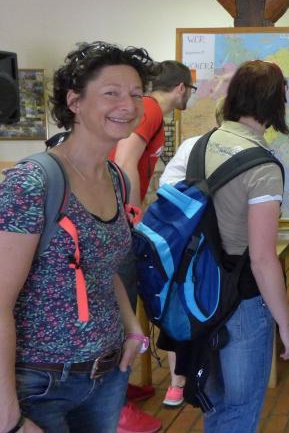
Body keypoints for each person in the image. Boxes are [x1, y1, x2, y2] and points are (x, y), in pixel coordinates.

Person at [0, 41, 153, 432]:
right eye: (111, 93)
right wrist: (7, 416)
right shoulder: (32, 182)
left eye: (136, 94)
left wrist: (132, 327)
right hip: (39, 382)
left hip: (107, 376)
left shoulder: (116, 179)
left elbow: (100, 266)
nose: (128, 105)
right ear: (75, 102)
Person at [201, 60, 289, 431]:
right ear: (274, 103)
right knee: (240, 411)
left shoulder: (203, 145)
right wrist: (286, 323)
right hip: (241, 300)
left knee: (215, 404)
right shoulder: (262, 165)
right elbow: (262, 259)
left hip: (200, 294)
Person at [111, 59, 194, 431]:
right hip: (118, 223)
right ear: (180, 88)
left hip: (118, 218)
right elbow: (125, 160)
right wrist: (132, 217)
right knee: (121, 306)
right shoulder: (149, 109)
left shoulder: (149, 111)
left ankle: (119, 387)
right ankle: (115, 406)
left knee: (125, 303)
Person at [154, 96, 225, 408]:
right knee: (180, 306)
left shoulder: (236, 149)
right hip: (189, 241)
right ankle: (178, 381)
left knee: (197, 305)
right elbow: (167, 188)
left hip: (207, 244)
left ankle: (192, 377)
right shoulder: (196, 146)